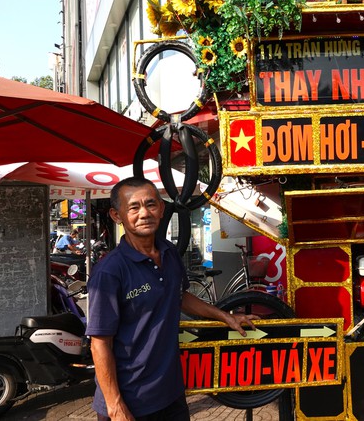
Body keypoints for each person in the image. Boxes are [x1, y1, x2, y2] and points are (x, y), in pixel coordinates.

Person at [85, 176, 258, 421]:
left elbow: (178, 296)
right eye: (134, 207)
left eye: (150, 204)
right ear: (116, 215)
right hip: (130, 401)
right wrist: (115, 407)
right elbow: (100, 343)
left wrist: (225, 317)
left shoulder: (169, 253)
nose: (144, 213)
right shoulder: (110, 271)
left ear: (161, 208)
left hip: (171, 394)